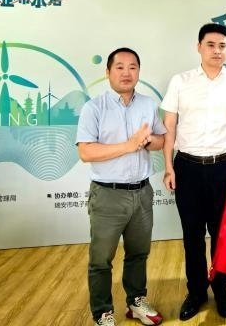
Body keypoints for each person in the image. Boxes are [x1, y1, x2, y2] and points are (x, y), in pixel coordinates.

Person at [161, 23, 226, 321]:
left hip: (224, 167)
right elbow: (169, 127)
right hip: (187, 167)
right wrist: (168, 166)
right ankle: (197, 291)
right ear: (199, 47)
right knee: (192, 234)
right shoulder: (181, 81)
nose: (217, 51)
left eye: (222, 46)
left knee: (221, 233)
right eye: (211, 45)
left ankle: (222, 288)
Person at [76, 47, 166, 326]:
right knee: (101, 259)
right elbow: (86, 152)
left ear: (139, 72)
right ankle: (102, 312)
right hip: (108, 194)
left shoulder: (148, 105)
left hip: (142, 192)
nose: (126, 73)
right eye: (120, 67)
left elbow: (161, 140)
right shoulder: (94, 108)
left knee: (139, 253)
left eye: (132, 67)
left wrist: (147, 141)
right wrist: (129, 145)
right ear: (108, 72)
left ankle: (136, 301)